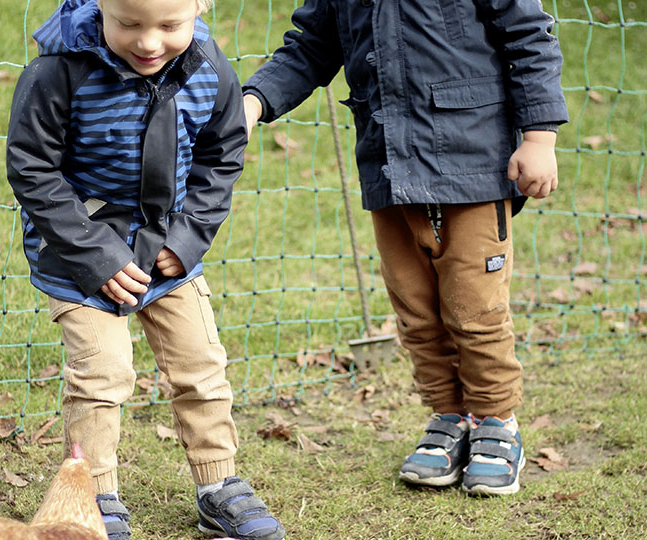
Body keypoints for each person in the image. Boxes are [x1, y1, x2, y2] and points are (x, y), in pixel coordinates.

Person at [242, 0, 568, 496]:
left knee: (474, 306)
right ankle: (449, 417)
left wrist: (539, 138)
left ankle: (497, 421)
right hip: (388, 163)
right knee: (416, 308)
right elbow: (310, 46)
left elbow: (528, 35)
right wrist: (254, 100)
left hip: (474, 162)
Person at [6, 0, 286, 538]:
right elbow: (32, 166)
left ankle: (217, 485)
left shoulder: (209, 67)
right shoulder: (60, 70)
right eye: (129, 24)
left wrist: (188, 237)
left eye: (170, 26)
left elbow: (221, 153)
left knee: (201, 365)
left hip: (168, 255)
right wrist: (96, 255)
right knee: (101, 376)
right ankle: (91, 497)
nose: (150, 43)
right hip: (79, 256)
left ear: (200, 8)